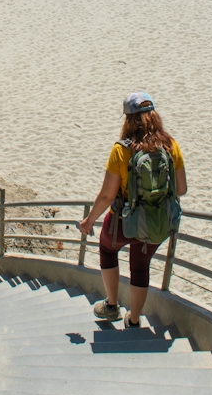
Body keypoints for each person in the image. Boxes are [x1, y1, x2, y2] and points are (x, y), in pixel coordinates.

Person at [78, 92, 187, 328]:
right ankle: (134, 320)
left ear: (128, 120)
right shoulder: (171, 145)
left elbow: (107, 195)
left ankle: (111, 305)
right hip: (157, 222)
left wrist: (89, 221)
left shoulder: (121, 150)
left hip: (124, 222)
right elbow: (182, 189)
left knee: (107, 250)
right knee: (140, 267)